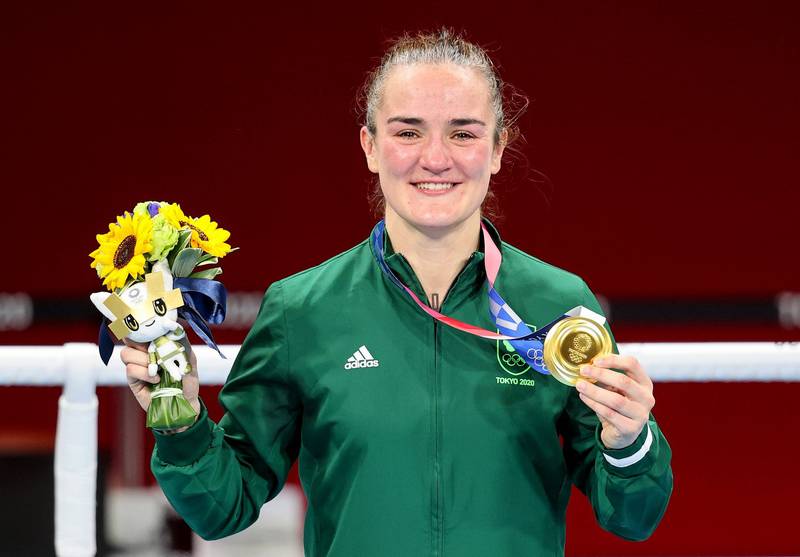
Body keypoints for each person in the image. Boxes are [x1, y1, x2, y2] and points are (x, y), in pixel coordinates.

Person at [122, 28, 672, 557]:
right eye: (408, 132)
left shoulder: (558, 304)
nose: (436, 158)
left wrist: (629, 441)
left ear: (499, 148)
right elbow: (224, 508)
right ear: (370, 145)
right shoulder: (301, 310)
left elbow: (632, 518)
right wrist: (184, 422)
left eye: (464, 132)